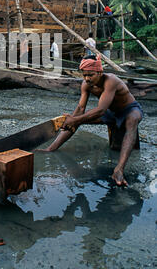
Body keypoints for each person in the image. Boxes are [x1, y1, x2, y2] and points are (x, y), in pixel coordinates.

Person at [37, 55, 144, 187]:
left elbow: (101, 110)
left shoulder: (111, 81)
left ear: (99, 72)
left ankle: (119, 169)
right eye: (84, 75)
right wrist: (70, 123)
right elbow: (81, 108)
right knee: (77, 119)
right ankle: (52, 147)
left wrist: (74, 120)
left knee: (132, 121)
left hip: (129, 109)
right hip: (111, 113)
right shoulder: (86, 85)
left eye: (90, 75)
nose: (87, 78)